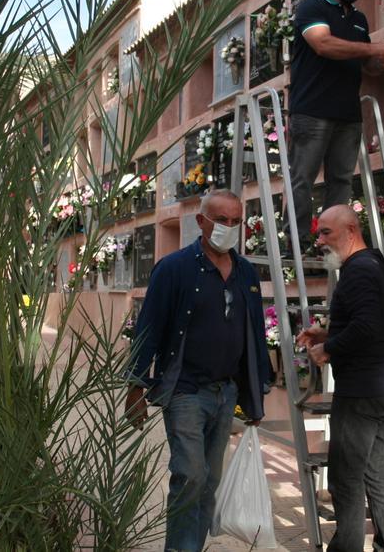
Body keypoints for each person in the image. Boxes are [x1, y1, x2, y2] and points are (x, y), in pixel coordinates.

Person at [125, 190, 273, 551]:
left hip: (226, 394)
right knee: (190, 475)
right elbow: (149, 328)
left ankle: (192, 543)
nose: (229, 227)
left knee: (210, 480)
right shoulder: (174, 268)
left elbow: (253, 334)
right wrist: (135, 387)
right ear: (201, 221)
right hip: (185, 390)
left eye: (236, 221)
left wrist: (255, 395)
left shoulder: (246, 273)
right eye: (221, 220)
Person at [297, 204, 384, 551]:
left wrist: (329, 350)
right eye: (319, 233)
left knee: (346, 480)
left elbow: (367, 326)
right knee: (375, 475)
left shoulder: (358, 271)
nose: (321, 240)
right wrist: (327, 335)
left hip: (362, 391)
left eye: (327, 232)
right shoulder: (376, 265)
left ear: (352, 231)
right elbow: (374, 324)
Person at [288, 0, 384, 250]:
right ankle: (297, 244)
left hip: (348, 114)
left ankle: (333, 241)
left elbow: (366, 65)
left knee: (341, 182)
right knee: (303, 179)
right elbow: (322, 44)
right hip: (312, 111)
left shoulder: (359, 18)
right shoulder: (312, 6)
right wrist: (372, 48)